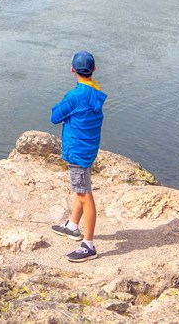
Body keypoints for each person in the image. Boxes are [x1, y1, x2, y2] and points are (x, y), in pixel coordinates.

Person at [50, 50, 106, 262]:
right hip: (88, 148)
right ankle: (73, 226)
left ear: (73, 69)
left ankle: (88, 245)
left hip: (77, 151)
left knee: (84, 194)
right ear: (94, 70)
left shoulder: (75, 96)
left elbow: (55, 116)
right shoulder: (95, 92)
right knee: (80, 189)